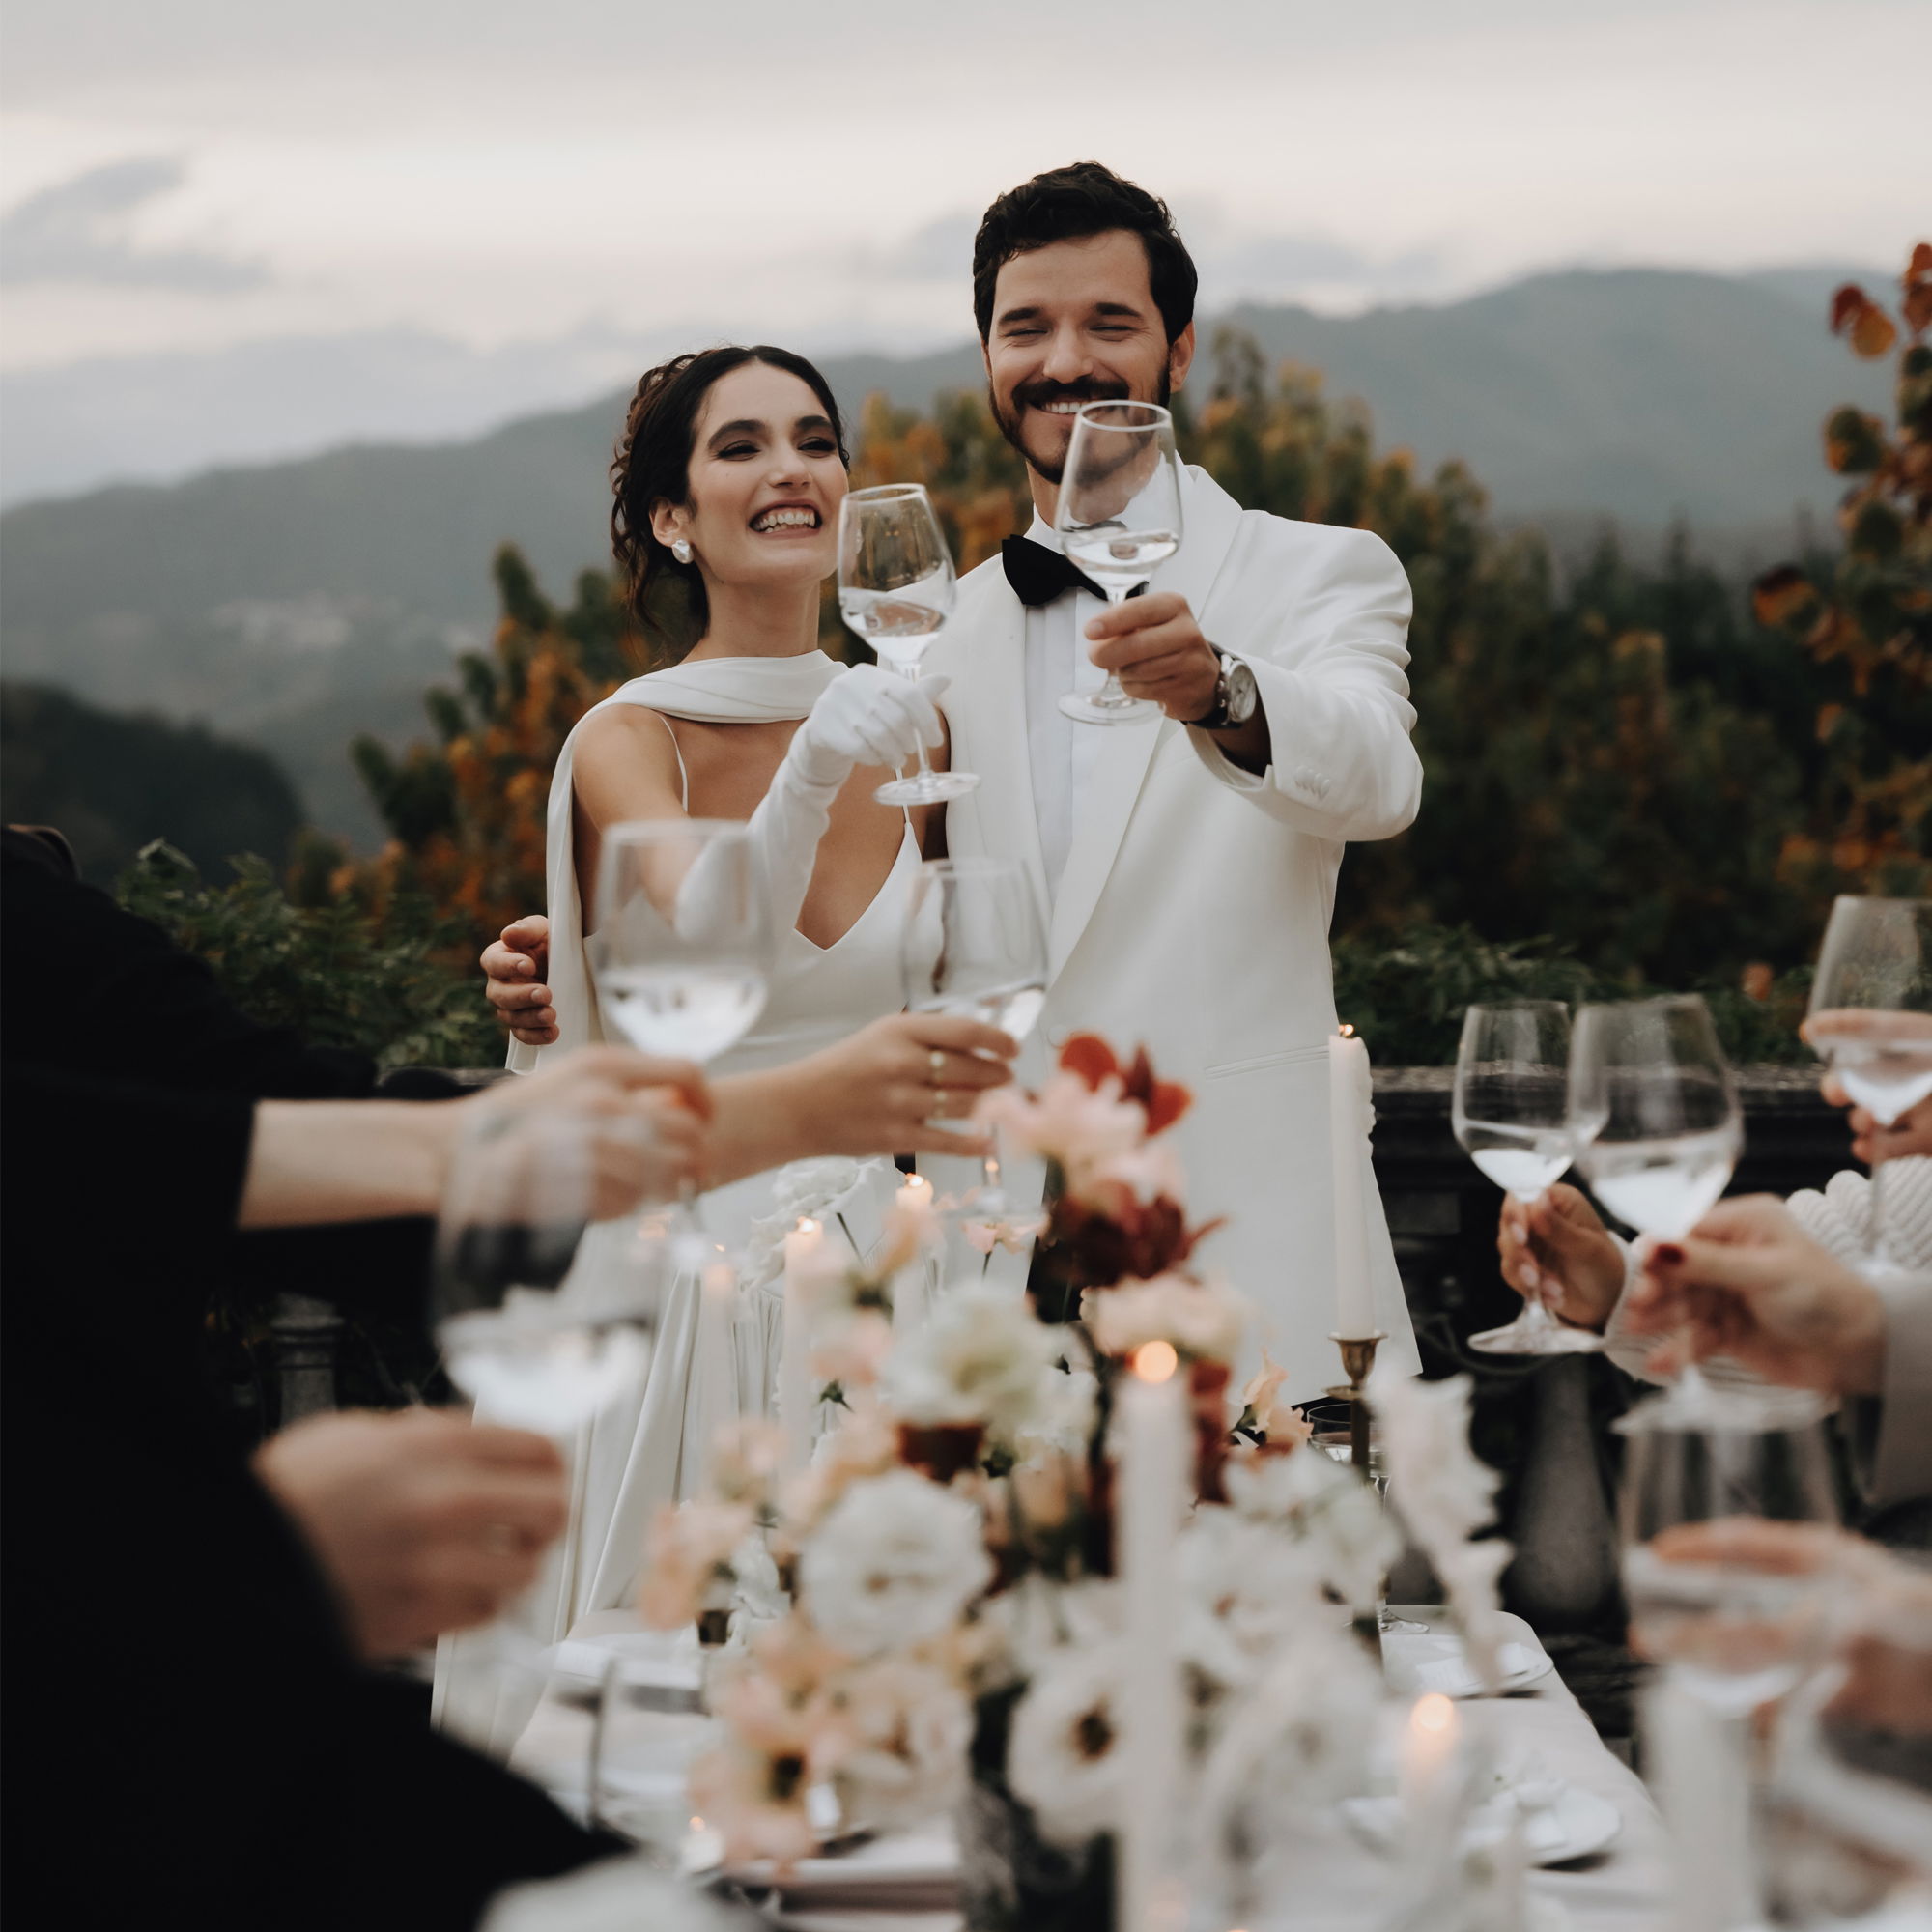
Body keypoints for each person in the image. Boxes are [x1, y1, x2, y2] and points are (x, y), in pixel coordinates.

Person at [487, 162, 1426, 1399]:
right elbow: (868, 923)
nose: (1064, 360)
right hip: (977, 1278)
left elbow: (1379, 779)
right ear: (986, 354)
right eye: (1024, 327)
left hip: (1255, 1234)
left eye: (1109, 324)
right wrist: (598, 961)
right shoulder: (930, 638)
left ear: (1179, 349)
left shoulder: (1320, 572)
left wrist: (1225, 693)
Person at [472, 344, 1012, 1662]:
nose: (792, 470)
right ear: (673, 517)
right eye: (742, 446)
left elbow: (974, 978)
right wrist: (815, 772)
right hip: (684, 1276)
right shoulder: (626, 739)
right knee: (680, 1670)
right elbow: (707, 944)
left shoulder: (922, 727)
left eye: (817, 440)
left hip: (895, 1263)